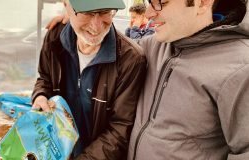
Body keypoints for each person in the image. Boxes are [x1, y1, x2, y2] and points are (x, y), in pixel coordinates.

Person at [46, 0, 249, 159]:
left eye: (162, 2)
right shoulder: (152, 45)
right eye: (150, 2)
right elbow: (114, 45)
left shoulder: (239, 68)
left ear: (203, 2)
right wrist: (76, 16)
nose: (150, 13)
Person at [31, 0, 146, 159]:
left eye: (105, 11)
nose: (96, 25)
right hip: (56, 150)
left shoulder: (130, 59)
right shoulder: (55, 37)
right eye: (88, 13)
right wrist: (40, 95)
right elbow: (45, 78)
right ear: (66, 6)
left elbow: (119, 129)